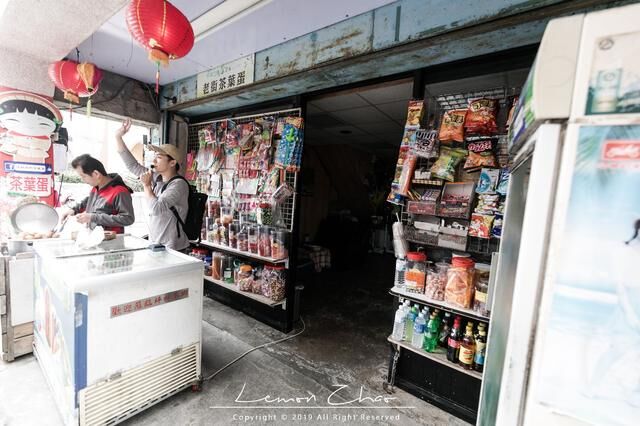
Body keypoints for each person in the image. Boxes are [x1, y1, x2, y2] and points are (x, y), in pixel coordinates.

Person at [115, 118, 190, 251]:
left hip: (173, 248)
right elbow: (133, 166)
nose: (154, 161)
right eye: (155, 156)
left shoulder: (179, 185)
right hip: (156, 243)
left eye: (159, 157)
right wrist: (118, 137)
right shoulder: (156, 177)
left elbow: (156, 209)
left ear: (172, 163)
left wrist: (147, 186)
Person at [62, 154, 135, 233]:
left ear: (96, 174)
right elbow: (88, 201)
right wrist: (73, 210)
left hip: (112, 239)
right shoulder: (96, 188)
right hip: (94, 236)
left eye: (83, 176)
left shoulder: (120, 191)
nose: (83, 180)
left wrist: (93, 217)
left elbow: (128, 218)